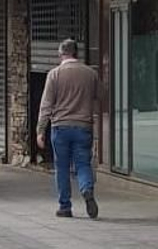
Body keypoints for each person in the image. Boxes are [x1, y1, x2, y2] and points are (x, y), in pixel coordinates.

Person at [36, 38, 101, 219]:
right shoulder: (90, 74)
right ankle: (87, 189)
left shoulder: (54, 75)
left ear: (60, 54)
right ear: (77, 53)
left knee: (62, 167)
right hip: (83, 127)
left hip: (61, 128)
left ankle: (65, 206)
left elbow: (46, 104)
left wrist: (40, 130)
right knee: (83, 164)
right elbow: (101, 96)